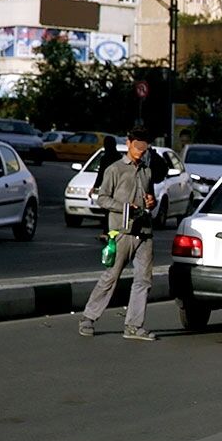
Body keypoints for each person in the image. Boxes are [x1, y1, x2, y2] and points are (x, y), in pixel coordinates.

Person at [78, 127, 158, 341]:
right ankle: (88, 318)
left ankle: (133, 325)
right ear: (129, 143)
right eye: (137, 146)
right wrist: (124, 207)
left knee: (143, 279)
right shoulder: (115, 170)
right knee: (111, 276)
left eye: (144, 147)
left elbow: (150, 198)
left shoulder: (146, 171)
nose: (141, 151)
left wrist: (151, 201)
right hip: (121, 232)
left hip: (144, 232)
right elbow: (102, 198)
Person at [89, 135, 121, 203]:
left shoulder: (105, 158)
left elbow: (101, 174)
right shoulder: (120, 157)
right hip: (119, 186)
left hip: (107, 186)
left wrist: (95, 187)